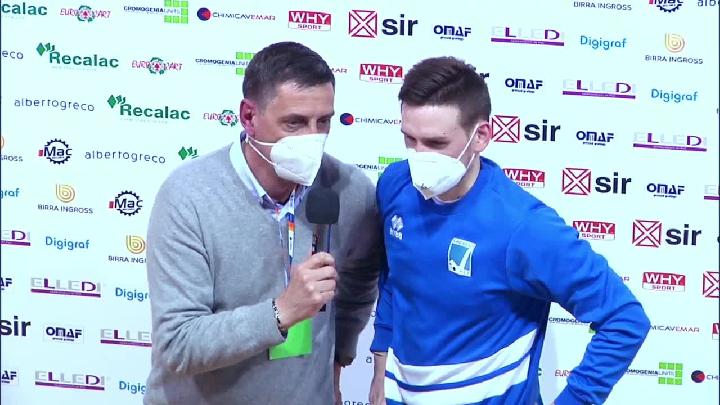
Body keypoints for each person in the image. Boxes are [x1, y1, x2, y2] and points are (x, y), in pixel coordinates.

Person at [368, 57, 651, 405]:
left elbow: (624, 319)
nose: (418, 156)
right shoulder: (394, 184)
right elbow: (396, 277)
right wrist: (380, 364)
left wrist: (576, 398)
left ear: (481, 136)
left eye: (436, 143)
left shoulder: (525, 227)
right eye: (410, 139)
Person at [144, 41, 383, 405]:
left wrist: (339, 358)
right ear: (249, 116)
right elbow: (178, 344)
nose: (312, 139)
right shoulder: (188, 196)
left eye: (323, 122)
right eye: (294, 123)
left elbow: (360, 281)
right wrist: (282, 311)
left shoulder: (348, 189)